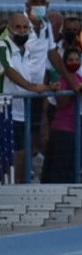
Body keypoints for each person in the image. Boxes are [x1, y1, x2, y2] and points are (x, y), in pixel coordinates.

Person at [0, 12, 51, 183]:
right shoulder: (2, 46)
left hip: (22, 111)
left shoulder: (26, 50)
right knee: (12, 156)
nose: (22, 30)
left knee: (24, 155)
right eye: (18, 27)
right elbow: (9, 71)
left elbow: (31, 75)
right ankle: (7, 189)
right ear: (10, 28)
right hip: (5, 110)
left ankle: (19, 188)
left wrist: (45, 87)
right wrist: (31, 87)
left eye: (25, 27)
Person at [41, 45, 82, 184]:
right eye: (70, 60)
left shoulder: (79, 78)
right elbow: (61, 103)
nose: (74, 62)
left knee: (72, 167)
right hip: (62, 129)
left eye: (77, 60)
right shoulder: (61, 80)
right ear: (64, 62)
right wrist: (74, 90)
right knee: (58, 168)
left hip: (76, 129)